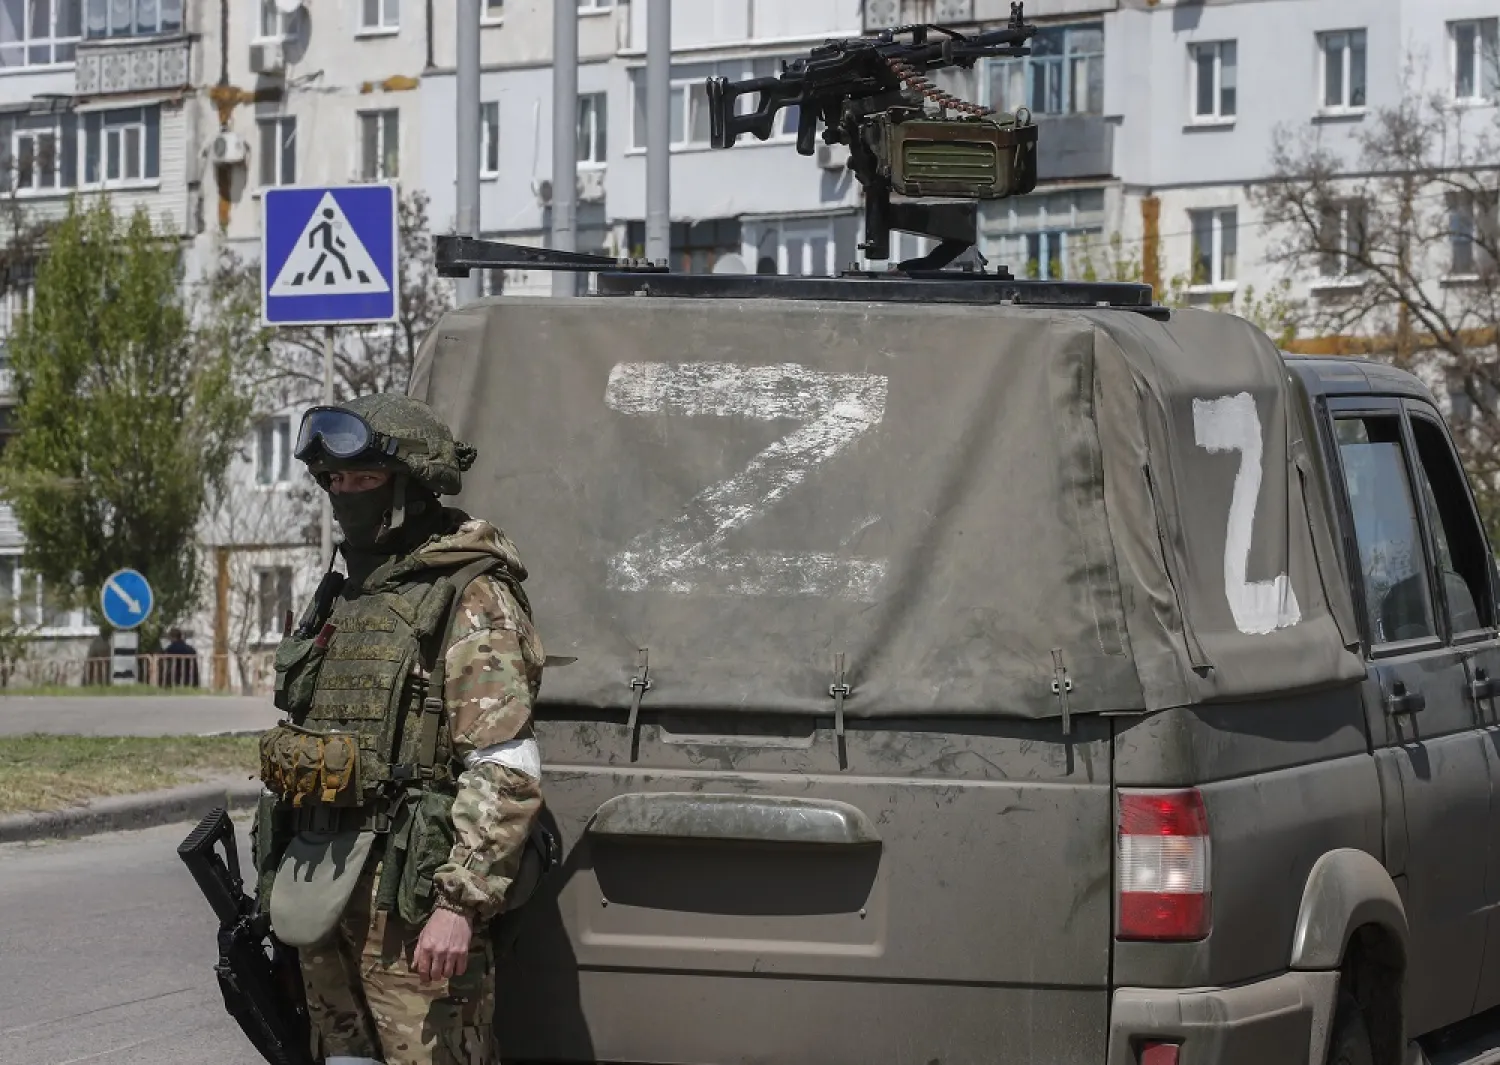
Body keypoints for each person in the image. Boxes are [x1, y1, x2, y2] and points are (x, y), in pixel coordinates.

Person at [254, 393, 546, 1065]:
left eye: (361, 478)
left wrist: (459, 904)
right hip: (323, 887)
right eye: (334, 479)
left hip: (411, 902)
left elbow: (505, 763)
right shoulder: (346, 591)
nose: (342, 492)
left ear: (410, 483)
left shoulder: (469, 592)